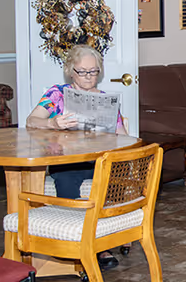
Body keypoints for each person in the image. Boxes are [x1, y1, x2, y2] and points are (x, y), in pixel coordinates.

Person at [25, 44, 128, 270]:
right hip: (66, 160)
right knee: (66, 179)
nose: (89, 77)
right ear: (71, 70)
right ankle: (73, 238)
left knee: (114, 176)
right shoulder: (57, 94)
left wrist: (122, 144)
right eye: (82, 72)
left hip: (97, 159)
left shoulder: (104, 99)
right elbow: (31, 121)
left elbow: (122, 135)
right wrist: (52, 123)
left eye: (93, 71)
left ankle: (102, 241)